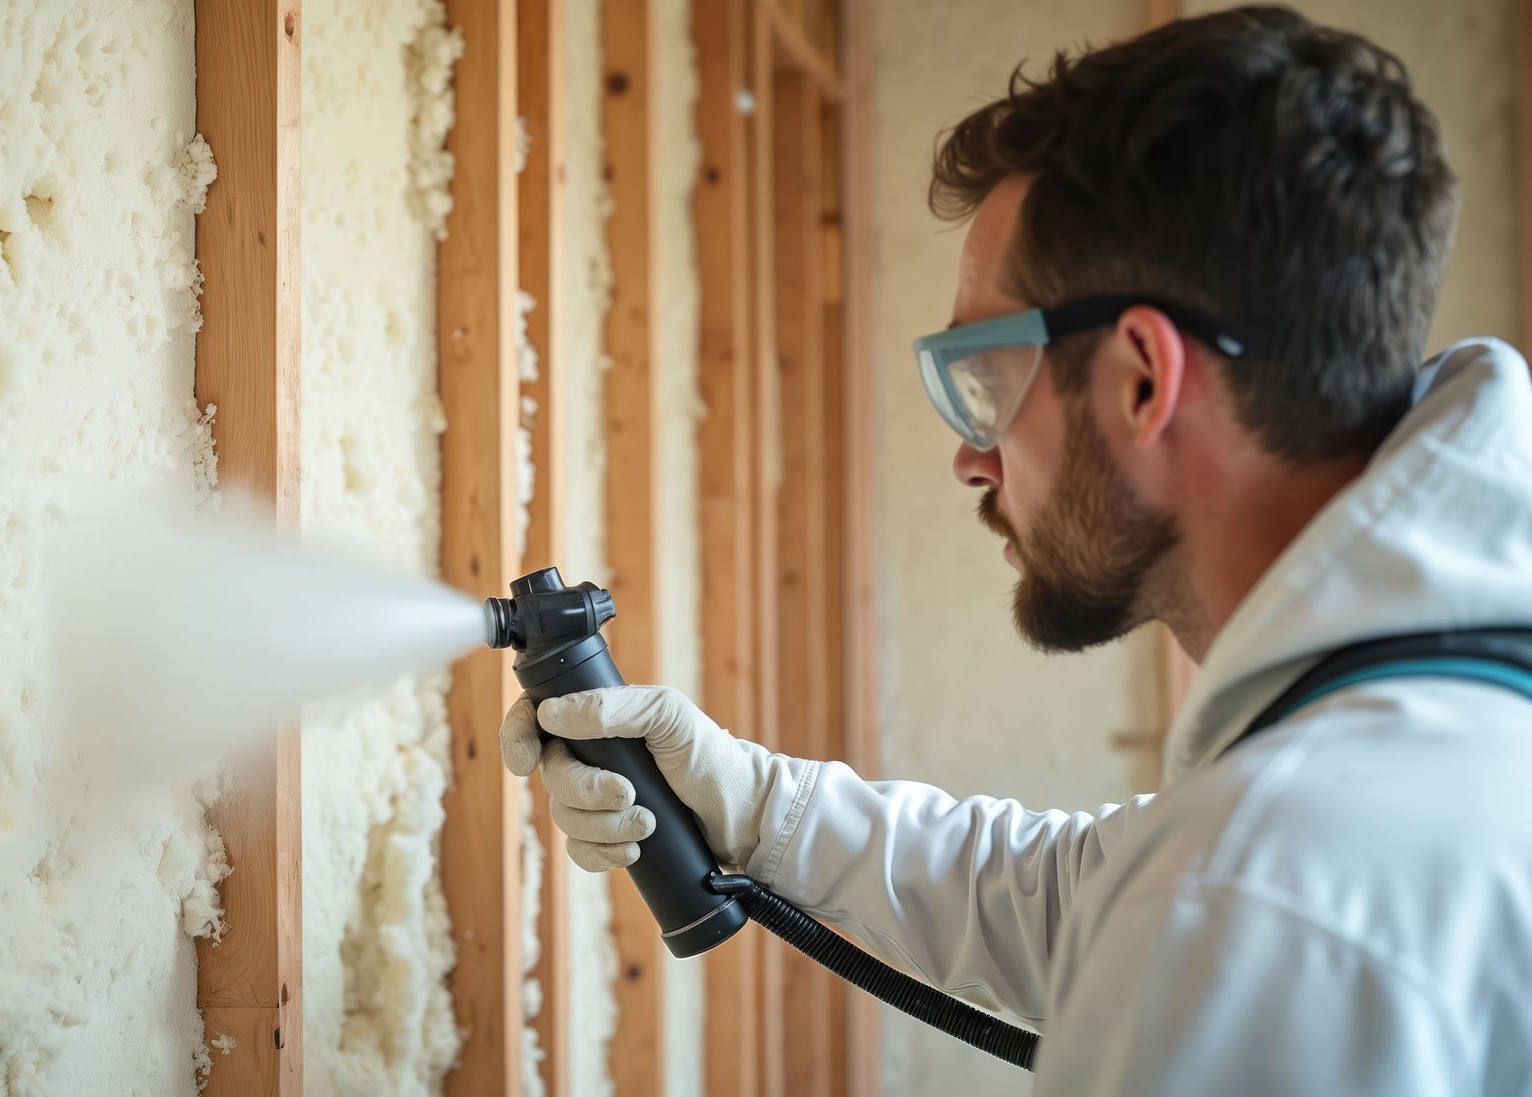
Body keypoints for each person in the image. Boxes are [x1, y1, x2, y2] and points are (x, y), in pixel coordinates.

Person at [498, 6, 1532, 1094]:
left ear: (1143, 378)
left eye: (985, 381)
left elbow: (1192, 907)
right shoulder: (1442, 709)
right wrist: (757, 806)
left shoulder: (1260, 906)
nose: (970, 459)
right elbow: (1089, 900)